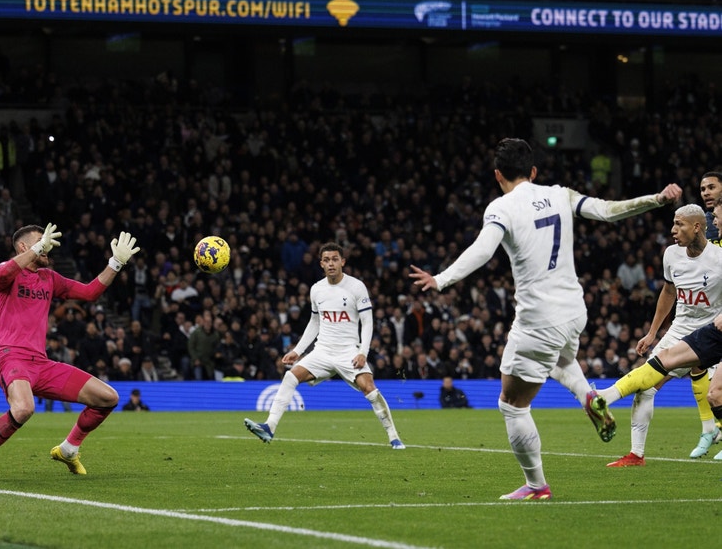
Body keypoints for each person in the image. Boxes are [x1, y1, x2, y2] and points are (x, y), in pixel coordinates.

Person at [409, 138, 681, 500]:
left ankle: (537, 486)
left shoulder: (501, 208)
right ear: (533, 171)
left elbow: (482, 250)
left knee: (511, 403)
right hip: (574, 311)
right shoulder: (559, 194)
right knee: (561, 359)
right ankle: (589, 396)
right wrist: (656, 199)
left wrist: (441, 279)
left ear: (497, 175)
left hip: (538, 319)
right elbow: (608, 210)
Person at [0, 223, 140, 481]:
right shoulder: (5, 272)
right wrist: (36, 249)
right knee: (23, 409)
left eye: (48, 241)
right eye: (42, 241)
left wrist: (116, 263)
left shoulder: (49, 278)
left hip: (41, 364)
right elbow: (5, 272)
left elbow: (89, 293)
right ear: (23, 247)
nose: (49, 246)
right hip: (11, 357)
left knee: (107, 397)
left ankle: (69, 449)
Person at [244, 242, 405, 449]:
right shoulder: (316, 290)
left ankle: (394, 437)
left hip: (348, 351)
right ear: (321, 264)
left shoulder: (356, 287)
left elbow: (367, 322)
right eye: (327, 260)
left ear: (343, 262)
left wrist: (363, 352)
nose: (331, 264)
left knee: (370, 390)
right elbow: (315, 322)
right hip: (322, 351)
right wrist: (297, 351)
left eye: (335, 259)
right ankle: (269, 427)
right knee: (290, 376)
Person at [600, 201, 722, 464]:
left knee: (716, 394)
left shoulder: (718, 258)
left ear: (697, 227)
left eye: (679, 224)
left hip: (715, 331)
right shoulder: (671, 254)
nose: (673, 229)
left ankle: (606, 396)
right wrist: (653, 332)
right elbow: (669, 292)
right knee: (647, 386)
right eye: (673, 223)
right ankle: (636, 454)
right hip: (681, 327)